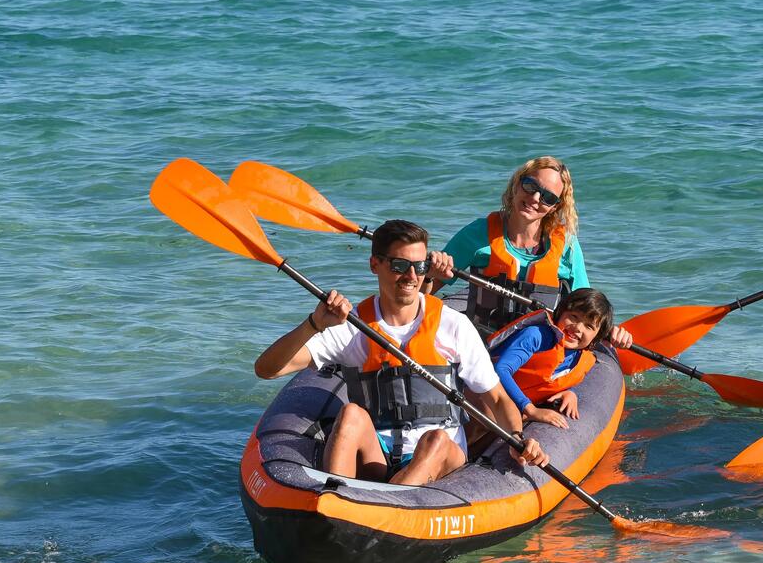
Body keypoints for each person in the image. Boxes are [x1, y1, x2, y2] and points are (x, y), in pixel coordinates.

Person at [254, 219, 545, 486]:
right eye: (398, 265)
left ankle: (387, 507)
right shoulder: (353, 325)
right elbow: (267, 369)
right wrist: (314, 324)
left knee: (436, 440)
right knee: (351, 414)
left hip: (440, 454)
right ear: (375, 264)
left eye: (418, 267)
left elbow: (497, 398)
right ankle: (337, 499)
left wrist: (518, 438)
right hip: (376, 454)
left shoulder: (452, 325)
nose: (410, 276)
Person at [425, 156, 630, 347]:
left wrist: (612, 332)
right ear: (516, 185)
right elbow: (422, 293)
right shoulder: (478, 234)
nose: (535, 198)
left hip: (537, 348)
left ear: (555, 207)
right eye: (530, 186)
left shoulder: (567, 245)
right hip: (481, 344)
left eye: (548, 197)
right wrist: (431, 275)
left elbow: (587, 309)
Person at [489, 287, 615, 430]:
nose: (578, 327)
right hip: (485, 399)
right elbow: (500, 370)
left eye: (589, 326)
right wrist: (530, 409)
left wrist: (570, 391)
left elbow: (557, 377)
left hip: (512, 407)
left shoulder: (581, 357)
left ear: (596, 337)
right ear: (560, 312)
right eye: (574, 316)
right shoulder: (536, 336)